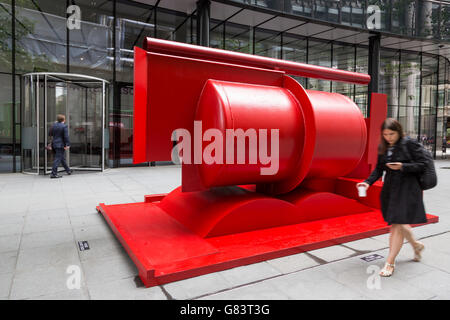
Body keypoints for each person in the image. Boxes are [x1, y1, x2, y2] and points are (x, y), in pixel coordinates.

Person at [356, 118, 427, 277]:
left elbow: (422, 165)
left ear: (399, 131)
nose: (388, 137)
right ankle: (416, 245)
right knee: (400, 223)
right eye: (385, 134)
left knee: (396, 224)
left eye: (392, 134)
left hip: (408, 189)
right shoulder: (383, 146)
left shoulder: (409, 143)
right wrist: (367, 183)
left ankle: (390, 262)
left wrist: (402, 166)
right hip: (391, 190)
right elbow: (379, 170)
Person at [49, 114, 72, 178]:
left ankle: (68, 170)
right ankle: (53, 174)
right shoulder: (64, 126)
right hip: (60, 145)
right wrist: (67, 144)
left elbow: (49, 133)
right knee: (57, 159)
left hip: (54, 144)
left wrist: (53, 125)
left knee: (61, 158)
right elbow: (66, 136)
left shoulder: (54, 125)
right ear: (64, 120)